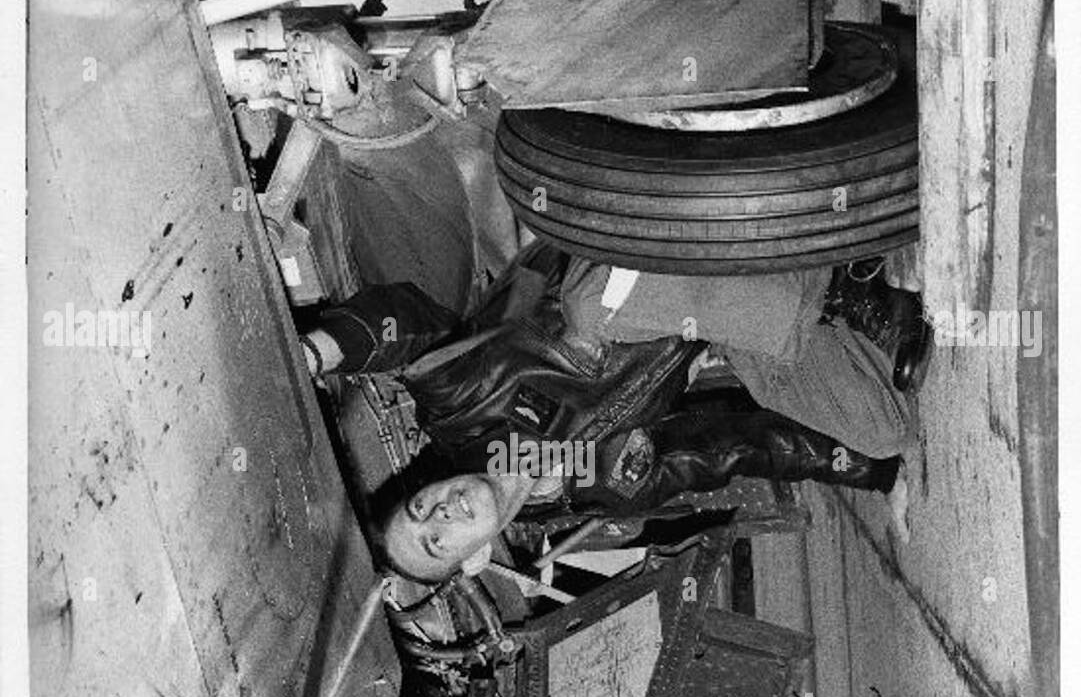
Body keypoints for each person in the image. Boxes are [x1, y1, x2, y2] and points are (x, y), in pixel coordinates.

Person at [300, 244, 930, 583]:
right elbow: (730, 447)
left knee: (588, 315)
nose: (440, 516)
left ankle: (847, 293)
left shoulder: (461, 406)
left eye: (419, 509)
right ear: (472, 557)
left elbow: (406, 327)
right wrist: (877, 474)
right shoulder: (602, 487)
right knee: (882, 428)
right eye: (436, 542)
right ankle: (829, 269)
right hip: (720, 317)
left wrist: (321, 350)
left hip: (631, 247)